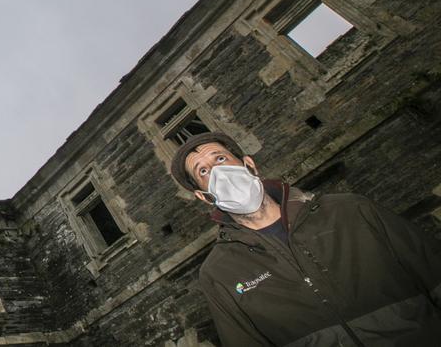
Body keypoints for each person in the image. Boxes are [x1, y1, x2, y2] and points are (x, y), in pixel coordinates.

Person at [170, 132, 441, 346]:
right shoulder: (219, 274)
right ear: (204, 197)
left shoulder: (352, 210)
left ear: (249, 165)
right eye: (203, 172)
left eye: (220, 159)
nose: (218, 173)